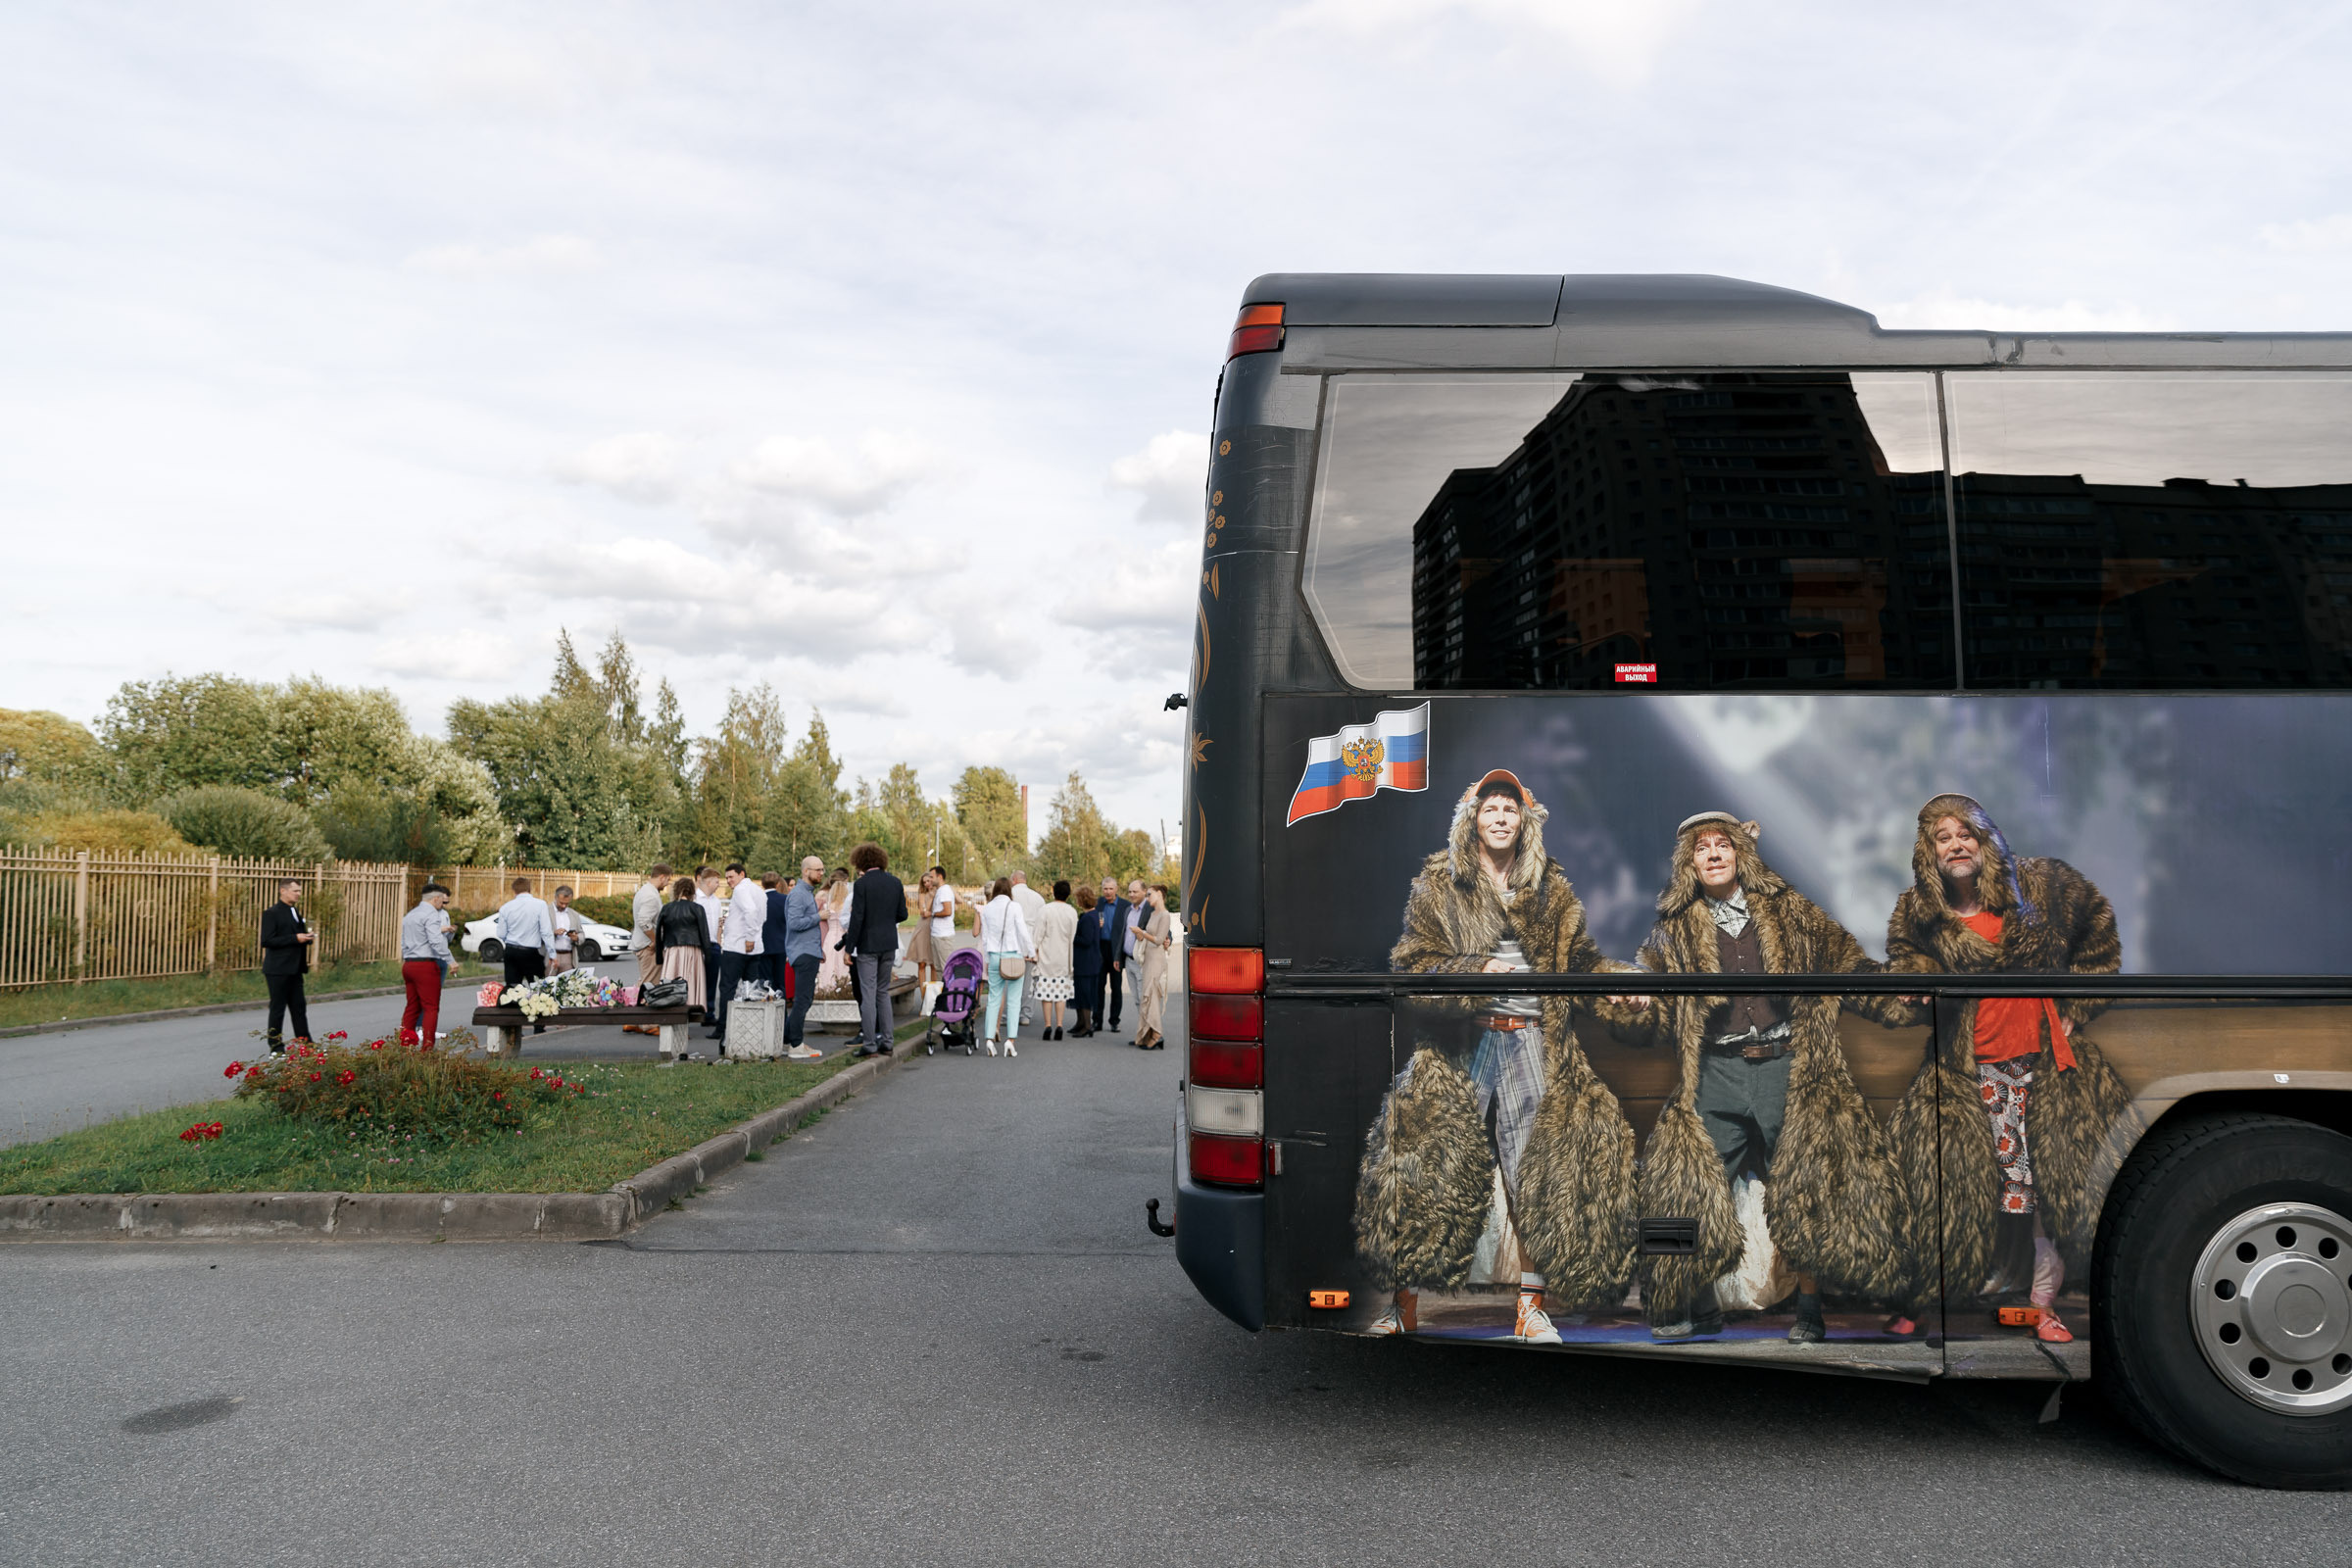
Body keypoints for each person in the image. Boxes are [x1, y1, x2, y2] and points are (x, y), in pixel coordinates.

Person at [1356, 767, 1641, 1347]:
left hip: (1531, 1037)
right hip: (1462, 1041)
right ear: (1473, 820)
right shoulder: (1440, 884)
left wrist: (1619, 981)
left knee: (1535, 1177)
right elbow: (1412, 968)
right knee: (1423, 1170)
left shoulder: (1550, 889)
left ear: (1525, 822)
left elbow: (1580, 961)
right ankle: (1404, 1305)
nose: (1502, 817)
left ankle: (1531, 1309)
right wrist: (1474, 970)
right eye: (1491, 808)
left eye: (1511, 809)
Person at [1623, 812, 1905, 1345]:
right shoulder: (1673, 930)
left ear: (1739, 853)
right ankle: (1683, 1299)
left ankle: (1810, 1308)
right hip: (1714, 1070)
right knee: (1682, 1187)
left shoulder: (1788, 911)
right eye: (1700, 848)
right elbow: (1654, 1008)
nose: (1713, 854)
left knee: (1803, 1187)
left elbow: (1847, 965)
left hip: (1786, 1066)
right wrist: (1636, 1003)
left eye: (1722, 844)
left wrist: (1898, 994)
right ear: (1689, 863)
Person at [1883, 793, 2128, 1346]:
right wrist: (1915, 984)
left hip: (2046, 1073)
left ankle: (2044, 1306)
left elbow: (2101, 935)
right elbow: (1906, 960)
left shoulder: (2043, 885)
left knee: (2049, 1196)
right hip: (1966, 1074)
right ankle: (1930, 1303)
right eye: (1943, 838)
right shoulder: (1918, 911)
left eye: (1964, 833)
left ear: (1985, 836)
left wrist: (2076, 1009)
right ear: (1930, 851)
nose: (1956, 844)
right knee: (1951, 1192)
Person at [838, 842, 907, 1057]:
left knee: (868, 994)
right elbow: (903, 914)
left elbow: (856, 919)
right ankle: (887, 1041)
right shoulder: (895, 882)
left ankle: (869, 1044)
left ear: (860, 862)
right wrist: (885, 921)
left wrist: (849, 949)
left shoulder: (861, 885)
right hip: (888, 944)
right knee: (882, 993)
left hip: (867, 945)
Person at [976, 875, 1037, 1056]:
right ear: (1009, 889)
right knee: (1013, 1000)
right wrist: (1031, 952)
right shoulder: (1014, 906)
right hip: (1013, 957)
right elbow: (1022, 932)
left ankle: (988, 1039)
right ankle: (1010, 1041)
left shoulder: (986, 909)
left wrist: (986, 960)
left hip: (994, 956)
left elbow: (985, 938)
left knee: (994, 998)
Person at [259, 877, 315, 1053]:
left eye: (299, 891)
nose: (298, 894)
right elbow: (267, 940)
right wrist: (295, 938)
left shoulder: (294, 911)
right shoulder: (271, 913)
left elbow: (297, 934)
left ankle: (306, 1045)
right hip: (278, 969)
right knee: (278, 1009)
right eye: (295, 890)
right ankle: (276, 1047)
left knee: (299, 1008)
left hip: (295, 968)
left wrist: (306, 938)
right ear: (283, 891)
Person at [713, 861, 765, 1044]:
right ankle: (748, 1027)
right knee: (750, 988)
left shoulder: (741, 890)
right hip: (755, 947)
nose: (728, 881)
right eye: (726, 878)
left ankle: (723, 1027)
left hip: (737, 947)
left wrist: (749, 936)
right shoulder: (759, 891)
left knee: (727, 987)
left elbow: (750, 911)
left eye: (731, 877)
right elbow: (761, 917)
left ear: (742, 874)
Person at [497, 877, 556, 1032]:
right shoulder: (540, 905)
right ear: (530, 889)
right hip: (531, 952)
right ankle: (538, 1025)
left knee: (512, 988)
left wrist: (511, 940)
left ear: (514, 890)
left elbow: (500, 933)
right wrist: (552, 953)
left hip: (511, 950)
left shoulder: (505, 907)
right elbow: (546, 932)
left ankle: (514, 1027)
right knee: (537, 987)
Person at [781, 857, 825, 1057]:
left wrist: (818, 949)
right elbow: (795, 923)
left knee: (804, 999)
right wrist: (819, 917)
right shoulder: (799, 894)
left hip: (808, 951)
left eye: (823, 870)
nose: (821, 873)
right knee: (803, 1000)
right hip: (802, 953)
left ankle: (786, 1040)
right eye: (818, 870)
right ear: (806, 871)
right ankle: (796, 1045)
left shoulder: (805, 893)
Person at [399, 882, 453, 1047]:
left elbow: (403, 942)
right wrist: (451, 960)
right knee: (431, 1007)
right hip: (425, 964)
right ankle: (427, 1048)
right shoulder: (432, 915)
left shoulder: (410, 915)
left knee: (412, 1006)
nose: (442, 904)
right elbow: (436, 941)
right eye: (442, 901)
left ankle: (405, 1043)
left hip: (409, 963)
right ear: (435, 899)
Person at [653, 875, 711, 1018]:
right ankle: (689, 1013)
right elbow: (705, 934)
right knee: (690, 983)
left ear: (676, 890)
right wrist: (708, 957)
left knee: (671, 984)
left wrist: (659, 957)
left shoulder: (667, 908)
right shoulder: (697, 908)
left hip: (673, 950)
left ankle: (672, 1015)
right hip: (693, 951)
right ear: (692, 892)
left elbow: (658, 934)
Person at [1030, 879, 1078, 1040]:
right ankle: (1059, 1024)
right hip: (1064, 958)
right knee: (1060, 994)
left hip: (1046, 957)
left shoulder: (1045, 910)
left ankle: (1048, 1025)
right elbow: (1073, 936)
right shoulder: (1072, 912)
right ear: (1068, 894)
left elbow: (1038, 934)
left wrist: (1033, 950)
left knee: (1046, 994)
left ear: (1053, 891)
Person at [1132, 884, 1176, 1050]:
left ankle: (1157, 1034)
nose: (1147, 897)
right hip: (1149, 958)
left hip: (1157, 959)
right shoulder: (1152, 914)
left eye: (1149, 894)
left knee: (1152, 996)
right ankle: (1147, 1033)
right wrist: (1140, 935)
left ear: (1159, 894)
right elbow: (1151, 936)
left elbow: (1158, 940)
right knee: (1146, 996)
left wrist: (1142, 933)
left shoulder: (1165, 915)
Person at [1009, 871, 1047, 1026]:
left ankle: (1007, 1014)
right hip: (1032, 940)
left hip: (1013, 941)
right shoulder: (1038, 898)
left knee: (1010, 978)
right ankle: (1026, 1014)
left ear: (1014, 880)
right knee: (1030, 981)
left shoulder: (1009, 895)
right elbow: (1043, 922)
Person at [1098, 876, 1132, 1036]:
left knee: (1116, 988)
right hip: (1100, 949)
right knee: (1098, 988)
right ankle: (1096, 1021)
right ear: (1102, 889)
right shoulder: (1098, 904)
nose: (1108, 892)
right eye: (1105, 888)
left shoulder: (1125, 905)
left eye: (1111, 888)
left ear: (1116, 889)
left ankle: (1114, 1021)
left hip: (1117, 950)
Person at [920, 866, 956, 1013]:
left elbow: (947, 911)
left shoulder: (945, 890)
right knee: (940, 969)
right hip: (937, 934)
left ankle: (950, 1002)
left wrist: (933, 914)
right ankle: (944, 1001)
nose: (930, 878)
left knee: (946, 968)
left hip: (944, 935)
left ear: (939, 876)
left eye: (932, 876)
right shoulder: (940, 891)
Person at [694, 866, 727, 1025]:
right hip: (699, 945)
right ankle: (695, 1011)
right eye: (716, 881)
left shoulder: (716, 901)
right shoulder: (696, 900)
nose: (718, 884)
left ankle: (709, 1014)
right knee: (697, 980)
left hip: (714, 945)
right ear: (707, 881)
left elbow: (719, 924)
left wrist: (719, 944)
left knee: (712, 981)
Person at [1069, 887, 1103, 1037]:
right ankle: (1080, 1022)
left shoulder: (1088, 917)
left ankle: (1086, 1025)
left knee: (1084, 993)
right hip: (1088, 961)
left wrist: (1071, 937)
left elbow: (1086, 939)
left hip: (1086, 961)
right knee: (1080, 992)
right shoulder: (1092, 915)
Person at [631, 862, 672, 989]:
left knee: (647, 983)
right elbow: (643, 921)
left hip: (643, 945)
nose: (667, 884)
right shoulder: (651, 896)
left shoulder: (645, 890)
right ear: (662, 877)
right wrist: (655, 942)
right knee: (649, 986)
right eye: (668, 880)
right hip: (648, 948)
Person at [817, 867, 854, 992]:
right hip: (843, 936)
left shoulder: (828, 905)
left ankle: (827, 986)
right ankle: (844, 986)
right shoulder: (847, 906)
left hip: (830, 936)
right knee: (842, 962)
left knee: (829, 962)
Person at [760, 871, 791, 993]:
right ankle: (781, 1011)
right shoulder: (785, 899)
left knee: (765, 983)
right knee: (779, 983)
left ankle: (767, 1010)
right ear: (778, 884)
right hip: (780, 945)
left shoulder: (759, 898)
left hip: (763, 945)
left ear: (762, 884)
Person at [549, 885, 582, 975]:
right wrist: (554, 933)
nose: (564, 906)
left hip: (568, 956)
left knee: (567, 986)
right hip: (550, 956)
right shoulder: (546, 912)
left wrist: (577, 937)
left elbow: (581, 933)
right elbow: (538, 933)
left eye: (567, 903)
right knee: (548, 986)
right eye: (561, 902)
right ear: (555, 897)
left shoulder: (574, 914)